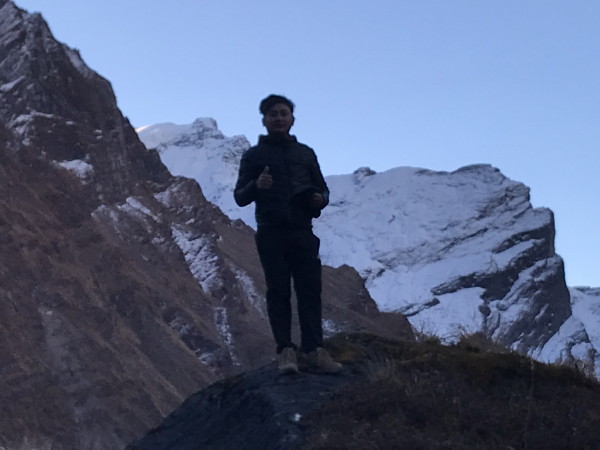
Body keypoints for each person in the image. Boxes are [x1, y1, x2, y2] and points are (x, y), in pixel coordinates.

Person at [234, 94, 342, 375]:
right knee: (278, 292)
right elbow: (240, 196)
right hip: (271, 233)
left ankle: (314, 350)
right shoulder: (253, 156)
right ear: (264, 120)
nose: (279, 118)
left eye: (283, 113)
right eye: (273, 114)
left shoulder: (305, 154)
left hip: (302, 230)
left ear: (292, 118)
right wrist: (257, 185)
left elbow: (323, 188)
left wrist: (320, 199)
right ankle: (286, 351)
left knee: (310, 291)